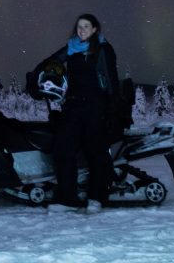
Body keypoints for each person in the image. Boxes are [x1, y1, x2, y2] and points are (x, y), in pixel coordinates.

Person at [27, 13, 120, 212]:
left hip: (96, 106)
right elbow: (51, 62)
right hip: (72, 106)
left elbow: (112, 80)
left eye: (86, 26)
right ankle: (66, 198)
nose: (82, 30)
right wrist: (35, 76)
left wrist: (112, 110)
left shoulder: (103, 49)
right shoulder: (72, 48)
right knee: (63, 150)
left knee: (95, 152)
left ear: (95, 29)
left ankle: (96, 198)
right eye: (79, 26)